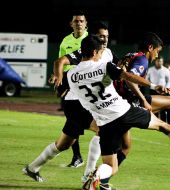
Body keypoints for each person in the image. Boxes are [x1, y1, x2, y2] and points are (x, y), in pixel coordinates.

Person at [67, 34, 170, 190]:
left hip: (104, 123)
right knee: (163, 125)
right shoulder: (103, 66)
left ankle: (96, 178)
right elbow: (129, 77)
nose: (101, 55)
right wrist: (154, 86)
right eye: (100, 52)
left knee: (111, 166)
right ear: (94, 52)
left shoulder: (71, 76)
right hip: (123, 111)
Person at [21, 21, 118, 183]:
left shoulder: (108, 53)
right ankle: (88, 175)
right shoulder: (84, 51)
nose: (105, 39)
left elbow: (119, 68)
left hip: (84, 103)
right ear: (94, 36)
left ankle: (31, 168)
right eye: (101, 36)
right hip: (75, 103)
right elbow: (60, 61)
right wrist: (59, 77)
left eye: (107, 36)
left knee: (64, 143)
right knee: (103, 130)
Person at [57, 9, 88, 168]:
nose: (79, 23)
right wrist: (56, 76)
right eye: (76, 21)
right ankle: (77, 156)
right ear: (71, 24)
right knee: (72, 118)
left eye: (81, 21)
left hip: (87, 83)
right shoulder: (65, 41)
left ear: (86, 23)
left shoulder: (90, 40)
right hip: (69, 83)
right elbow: (60, 62)